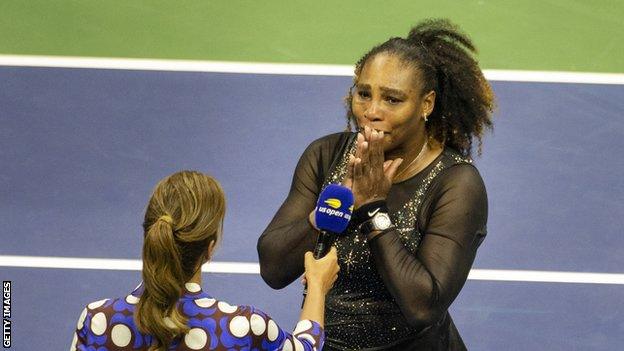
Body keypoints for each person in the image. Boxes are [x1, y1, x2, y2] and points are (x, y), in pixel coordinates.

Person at [257, 18, 494, 350]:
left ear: (426, 103)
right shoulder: (326, 155)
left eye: (392, 100)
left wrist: (373, 209)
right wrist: (329, 212)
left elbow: (423, 305)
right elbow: (273, 268)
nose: (371, 111)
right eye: (364, 94)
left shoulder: (456, 184)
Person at [71, 170, 340, 351]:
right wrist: (317, 285)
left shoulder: (97, 321)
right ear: (210, 248)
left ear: (149, 237)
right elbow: (306, 346)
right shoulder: (243, 329)